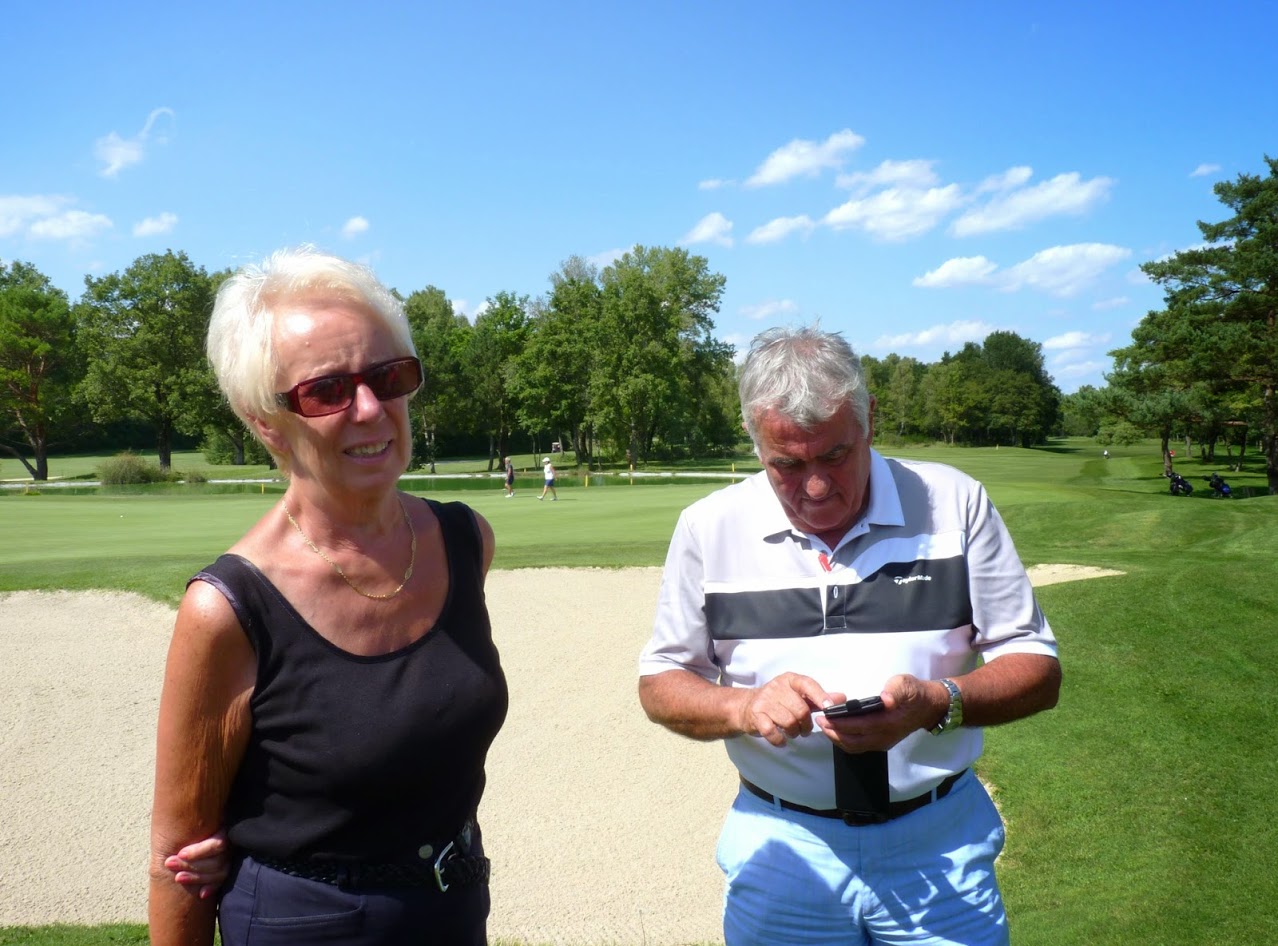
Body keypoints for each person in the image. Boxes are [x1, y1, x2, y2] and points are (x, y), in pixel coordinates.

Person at [638, 325, 1061, 946]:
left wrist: (935, 704)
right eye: (786, 464)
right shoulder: (709, 527)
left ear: (870, 420)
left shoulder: (954, 502)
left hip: (937, 840)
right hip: (784, 847)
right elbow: (661, 684)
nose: (814, 487)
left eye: (834, 455)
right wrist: (746, 706)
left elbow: (1036, 666)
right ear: (756, 446)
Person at [149, 247, 509, 946]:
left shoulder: (466, 541)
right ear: (264, 420)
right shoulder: (227, 609)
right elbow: (177, 862)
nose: (371, 408)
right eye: (327, 390)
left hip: (455, 909)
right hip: (306, 925)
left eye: (389, 376)